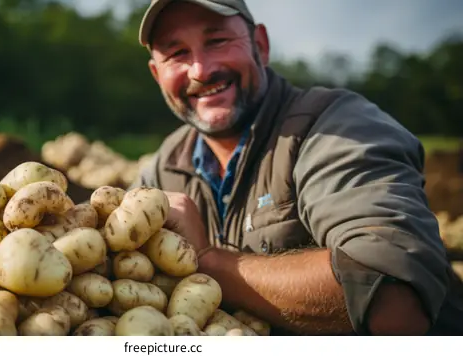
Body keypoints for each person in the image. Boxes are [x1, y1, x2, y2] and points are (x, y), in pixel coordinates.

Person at [130, 0, 463, 335]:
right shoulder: (163, 167)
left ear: (260, 46)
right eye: (176, 53)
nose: (200, 70)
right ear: (157, 74)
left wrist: (205, 259)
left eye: (217, 41)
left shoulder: (337, 127)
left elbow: (394, 305)